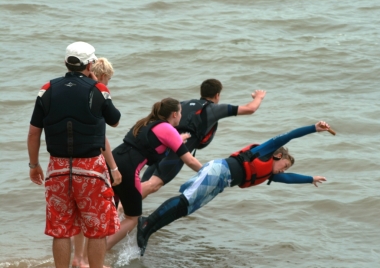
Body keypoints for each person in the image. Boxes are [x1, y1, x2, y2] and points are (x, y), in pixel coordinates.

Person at [137, 121, 333, 256]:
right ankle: (146, 223)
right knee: (185, 199)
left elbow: (288, 179)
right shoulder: (266, 151)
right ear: (279, 157)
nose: (284, 171)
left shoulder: (269, 173)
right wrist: (314, 128)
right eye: (286, 166)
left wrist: (310, 179)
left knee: (185, 209)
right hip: (219, 170)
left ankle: (149, 230)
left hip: (222, 183)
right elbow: (290, 135)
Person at [27, 42, 121, 268]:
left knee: (60, 229)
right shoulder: (98, 89)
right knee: (97, 229)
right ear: (90, 64)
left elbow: (33, 133)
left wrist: (33, 164)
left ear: (66, 63)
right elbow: (115, 120)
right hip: (91, 170)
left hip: (57, 168)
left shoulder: (47, 89)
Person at [141, 79, 266, 199]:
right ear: (217, 95)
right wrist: (259, 97)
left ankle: (125, 212)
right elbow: (250, 109)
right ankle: (122, 211)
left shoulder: (182, 105)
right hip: (177, 153)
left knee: (145, 184)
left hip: (161, 149)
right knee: (153, 185)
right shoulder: (214, 109)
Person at [105, 97, 203, 250]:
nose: (182, 115)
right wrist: (207, 172)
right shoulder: (168, 129)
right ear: (174, 114)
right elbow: (189, 160)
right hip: (128, 170)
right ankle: (100, 252)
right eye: (180, 112)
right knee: (132, 218)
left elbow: (154, 142)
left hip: (111, 163)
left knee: (110, 211)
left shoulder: (146, 122)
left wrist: (178, 138)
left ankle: (85, 253)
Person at [71, 57, 121, 268]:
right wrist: (114, 168)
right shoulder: (97, 96)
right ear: (100, 76)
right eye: (107, 80)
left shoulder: (75, 95)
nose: (107, 85)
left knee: (78, 215)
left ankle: (78, 258)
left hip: (68, 161)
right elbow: (103, 139)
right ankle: (88, 262)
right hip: (90, 164)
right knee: (93, 216)